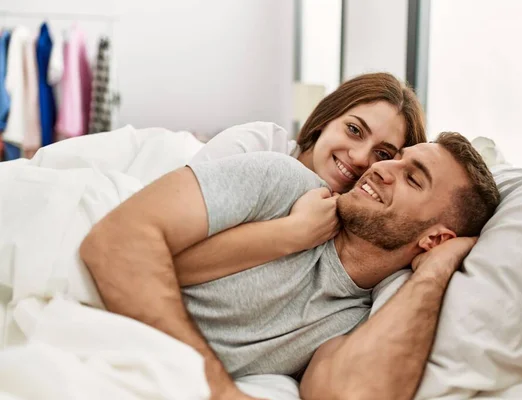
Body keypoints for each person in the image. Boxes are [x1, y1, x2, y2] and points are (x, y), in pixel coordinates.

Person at [80, 131, 500, 400]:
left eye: (413, 178)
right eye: (397, 158)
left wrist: (435, 271)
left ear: (436, 238)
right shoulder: (282, 181)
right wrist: (218, 389)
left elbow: (347, 393)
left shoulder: (363, 316)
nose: (380, 167)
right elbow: (114, 240)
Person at [173, 72, 427, 285]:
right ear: (325, 120)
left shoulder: (355, 229)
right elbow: (167, 247)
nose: (360, 157)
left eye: (382, 153)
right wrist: (295, 232)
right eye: (354, 130)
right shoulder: (259, 145)